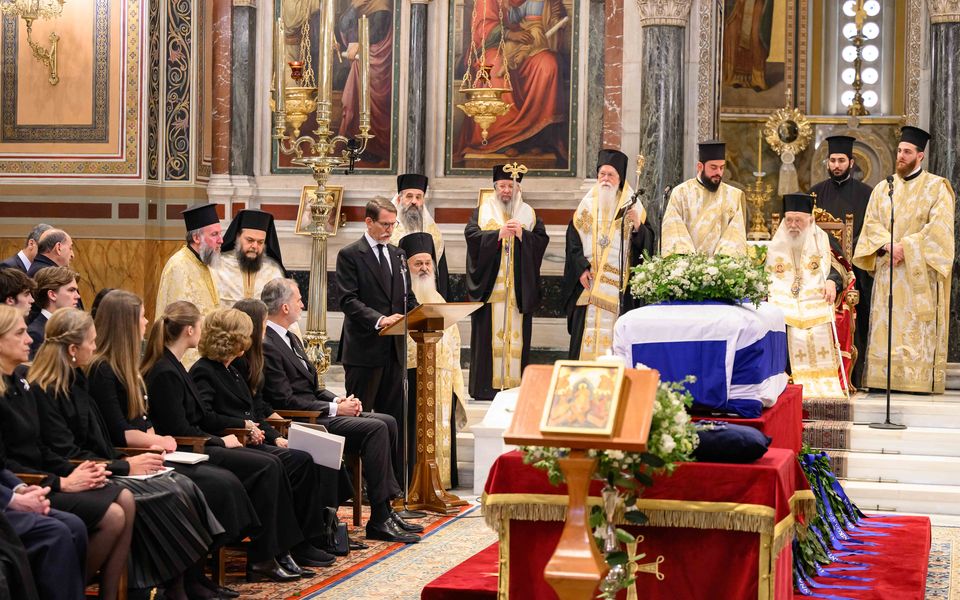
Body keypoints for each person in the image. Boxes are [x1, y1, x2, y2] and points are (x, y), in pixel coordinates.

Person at [27, 308, 224, 597]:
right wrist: (125, 466)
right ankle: (152, 587)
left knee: (178, 483)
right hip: (75, 471)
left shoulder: (77, 379)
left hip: (99, 464)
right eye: (91, 342)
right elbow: (66, 453)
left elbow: (97, 441)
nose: (94, 348)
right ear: (72, 349)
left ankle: (177, 584)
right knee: (163, 494)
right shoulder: (47, 389)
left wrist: (124, 461)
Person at [143, 301, 332, 582]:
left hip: (211, 441)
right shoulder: (175, 370)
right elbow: (185, 425)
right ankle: (264, 555)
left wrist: (257, 431)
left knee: (297, 459)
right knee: (270, 466)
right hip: (192, 451)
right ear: (190, 330)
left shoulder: (199, 367)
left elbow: (246, 411)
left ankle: (291, 546)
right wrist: (222, 438)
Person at [86, 290, 259, 598]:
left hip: (150, 450)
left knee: (205, 483)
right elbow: (120, 431)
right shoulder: (103, 370)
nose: (147, 321)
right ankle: (179, 583)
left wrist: (155, 438)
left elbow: (142, 420)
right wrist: (159, 441)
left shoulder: (128, 368)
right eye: (141, 316)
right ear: (126, 323)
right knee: (196, 486)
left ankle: (193, 579)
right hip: (129, 456)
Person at [259, 278, 421, 544]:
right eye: (298, 299)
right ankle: (379, 517)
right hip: (303, 420)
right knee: (376, 427)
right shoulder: (268, 343)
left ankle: (387, 510)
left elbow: (313, 386)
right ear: (284, 307)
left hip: (319, 410)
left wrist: (342, 400)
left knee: (388, 420)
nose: (302, 304)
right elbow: (285, 400)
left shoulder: (290, 337)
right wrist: (335, 408)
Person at [0, 304, 133, 600]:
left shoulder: (19, 384)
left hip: (38, 478)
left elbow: (43, 448)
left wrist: (72, 473)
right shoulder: (31, 385)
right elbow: (10, 461)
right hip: (31, 481)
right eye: (21, 332)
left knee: (123, 499)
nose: (30, 339)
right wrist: (59, 482)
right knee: (106, 516)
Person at [190, 308, 342, 551]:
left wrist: (272, 435)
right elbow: (206, 417)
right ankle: (286, 547)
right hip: (231, 444)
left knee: (313, 456)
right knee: (293, 462)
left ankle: (315, 536)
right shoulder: (204, 370)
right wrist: (245, 427)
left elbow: (253, 410)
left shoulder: (232, 369)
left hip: (252, 438)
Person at [853, 126, 956, 393]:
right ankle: (882, 379)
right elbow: (872, 224)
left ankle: (915, 381)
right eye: (899, 151)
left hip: (918, 273)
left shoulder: (937, 187)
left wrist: (906, 247)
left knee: (914, 329)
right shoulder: (883, 188)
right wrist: (887, 245)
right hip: (889, 272)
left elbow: (940, 229)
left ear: (920, 156)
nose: (901, 156)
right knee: (886, 325)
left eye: (907, 152)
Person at [335, 198, 419, 442]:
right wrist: (380, 320)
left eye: (393, 225)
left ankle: (389, 478)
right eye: (385, 224)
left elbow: (407, 297)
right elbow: (348, 301)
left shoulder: (399, 255)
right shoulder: (350, 254)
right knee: (358, 419)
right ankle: (356, 476)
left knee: (394, 420)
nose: (390, 230)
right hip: (364, 351)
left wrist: (423, 315)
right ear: (368, 222)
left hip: (395, 351)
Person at [465, 165, 549, 400]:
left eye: (510, 186)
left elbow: (541, 241)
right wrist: (497, 235)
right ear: (494, 188)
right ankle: (485, 389)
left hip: (518, 292)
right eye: (502, 186)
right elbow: (471, 237)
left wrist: (524, 235)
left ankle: (516, 388)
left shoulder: (529, 214)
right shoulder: (482, 212)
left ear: (518, 188)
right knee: (487, 341)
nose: (506, 191)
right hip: (491, 291)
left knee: (518, 339)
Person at [562, 149, 656, 359]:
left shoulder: (632, 204)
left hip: (618, 293)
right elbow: (573, 241)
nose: (605, 179)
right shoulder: (587, 205)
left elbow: (647, 243)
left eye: (610, 174)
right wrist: (581, 269)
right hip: (589, 286)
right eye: (602, 174)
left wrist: (638, 226)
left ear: (619, 178)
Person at [397, 233, 466, 489]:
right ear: (407, 267)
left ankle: (442, 480)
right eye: (418, 263)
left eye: (428, 263)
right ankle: (416, 482)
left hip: (441, 375)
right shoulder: (401, 297)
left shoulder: (438, 298)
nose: (424, 268)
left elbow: (454, 339)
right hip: (414, 375)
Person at [765, 194, 846, 398]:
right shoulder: (777, 242)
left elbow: (841, 267)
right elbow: (763, 271)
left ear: (810, 220)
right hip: (783, 299)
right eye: (789, 220)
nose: (792, 225)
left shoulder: (823, 240)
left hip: (815, 299)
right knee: (774, 316)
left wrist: (831, 281)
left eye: (798, 220)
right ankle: (782, 377)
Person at [809, 134, 874, 388]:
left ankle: (855, 378)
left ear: (852, 161)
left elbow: (869, 230)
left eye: (841, 160)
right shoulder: (815, 193)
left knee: (858, 322)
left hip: (856, 269)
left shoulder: (867, 194)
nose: (836, 165)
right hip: (821, 271)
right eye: (832, 160)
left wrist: (848, 258)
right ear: (827, 162)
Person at [155, 203, 223, 368]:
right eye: (214, 234)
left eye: (220, 234)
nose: (221, 240)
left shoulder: (208, 265)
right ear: (196, 238)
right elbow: (175, 322)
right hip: (185, 362)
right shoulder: (178, 266)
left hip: (208, 358)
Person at [660, 140, 747, 257]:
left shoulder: (733, 195)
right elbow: (674, 230)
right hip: (687, 268)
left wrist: (720, 264)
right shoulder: (681, 193)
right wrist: (687, 263)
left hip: (722, 269)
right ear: (700, 167)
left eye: (722, 167)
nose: (719, 172)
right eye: (713, 167)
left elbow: (735, 235)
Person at [390, 174, 450, 300]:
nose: (414, 201)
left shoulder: (433, 231)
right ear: (399, 199)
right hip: (397, 295)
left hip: (426, 294)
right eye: (409, 196)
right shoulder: (388, 228)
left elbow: (440, 273)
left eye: (419, 197)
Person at [213, 209, 288, 310]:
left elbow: (281, 311)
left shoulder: (273, 270)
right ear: (237, 237)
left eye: (260, 242)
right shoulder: (218, 266)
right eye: (250, 240)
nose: (255, 246)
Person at [26, 267, 81, 359]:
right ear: (52, 295)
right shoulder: (35, 334)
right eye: (71, 290)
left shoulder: (73, 328)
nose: (78, 296)